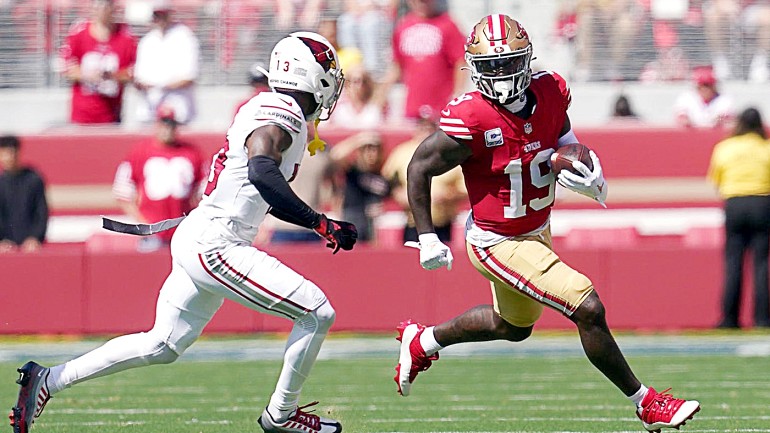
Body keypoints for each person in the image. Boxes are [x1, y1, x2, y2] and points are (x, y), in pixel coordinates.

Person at [10, 32, 355, 433]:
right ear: (307, 72)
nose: (332, 78)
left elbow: (264, 191)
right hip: (217, 242)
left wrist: (319, 225)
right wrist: (318, 221)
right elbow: (262, 171)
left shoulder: (274, 110)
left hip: (203, 235)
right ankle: (281, 415)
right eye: (328, 69)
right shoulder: (282, 112)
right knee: (317, 312)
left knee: (162, 344)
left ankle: (47, 379)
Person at [394, 14, 701, 432]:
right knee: (586, 306)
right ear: (474, 68)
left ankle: (423, 340)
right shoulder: (470, 117)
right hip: (496, 240)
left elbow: (564, 139)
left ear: (527, 60)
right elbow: (418, 167)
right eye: (491, 66)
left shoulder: (551, 89)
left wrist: (584, 165)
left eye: (509, 63)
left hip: (537, 229)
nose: (501, 75)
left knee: (514, 326)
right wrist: (427, 236)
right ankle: (645, 402)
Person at [707, 107, 770, 329]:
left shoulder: (725, 148)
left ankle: (730, 318)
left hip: (734, 202)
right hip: (763, 202)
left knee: (733, 262)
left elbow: (716, 180)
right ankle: (762, 319)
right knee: (761, 263)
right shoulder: (766, 148)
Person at [112, 106, 207, 251]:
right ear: (157, 125)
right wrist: (143, 224)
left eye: (171, 124)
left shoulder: (192, 153)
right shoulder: (140, 152)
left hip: (182, 231)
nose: (167, 129)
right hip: (152, 232)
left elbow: (206, 190)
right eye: (164, 124)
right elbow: (122, 191)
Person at [381, 108, 466, 243]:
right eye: (422, 126)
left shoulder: (449, 152)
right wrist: (398, 193)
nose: (425, 130)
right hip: (413, 223)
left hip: (442, 222)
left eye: (429, 126)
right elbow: (387, 181)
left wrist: (448, 194)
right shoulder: (402, 152)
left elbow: (465, 189)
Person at [379, 0, 466, 120]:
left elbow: (460, 62)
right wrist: (381, 95)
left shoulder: (448, 24)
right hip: (412, 107)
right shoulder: (403, 26)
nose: (422, 3)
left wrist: (457, 95)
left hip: (441, 109)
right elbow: (397, 67)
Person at [58, 0, 137, 124]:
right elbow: (65, 68)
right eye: (98, 5)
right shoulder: (79, 32)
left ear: (113, 8)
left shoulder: (125, 36)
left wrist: (112, 76)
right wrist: (87, 75)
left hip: (111, 113)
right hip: (82, 114)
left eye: (106, 6)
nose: (102, 10)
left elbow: (133, 72)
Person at [133, 0, 200, 125]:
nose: (159, 19)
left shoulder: (185, 37)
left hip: (178, 111)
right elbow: (138, 78)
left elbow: (189, 77)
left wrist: (160, 85)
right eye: (156, 15)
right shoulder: (147, 41)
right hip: (150, 111)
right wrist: (141, 84)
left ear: (169, 14)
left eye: (162, 14)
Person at [0, 135, 48, 253]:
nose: (8, 158)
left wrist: (35, 238)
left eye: (11, 153)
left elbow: (41, 211)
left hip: (31, 245)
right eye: (4, 154)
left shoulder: (33, 179)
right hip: (5, 246)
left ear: (18, 152)